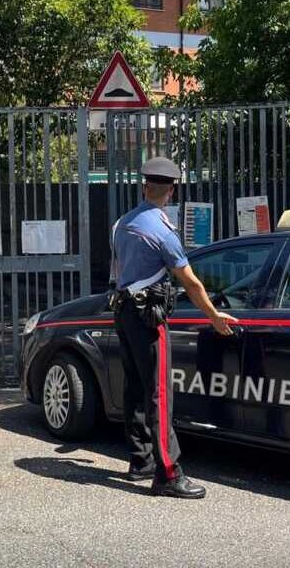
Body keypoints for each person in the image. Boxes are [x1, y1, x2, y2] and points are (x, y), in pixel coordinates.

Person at [110, 156, 238, 499]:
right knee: (160, 394)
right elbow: (191, 283)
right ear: (172, 190)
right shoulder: (163, 232)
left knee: (135, 387)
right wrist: (214, 316)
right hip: (148, 317)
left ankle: (142, 461)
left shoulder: (123, 223)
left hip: (124, 311)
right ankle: (168, 474)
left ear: (143, 185)